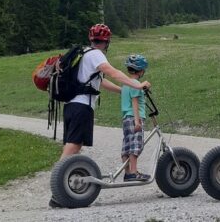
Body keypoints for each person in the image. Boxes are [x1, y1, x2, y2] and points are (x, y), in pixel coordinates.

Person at [50, 24, 150, 208]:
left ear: (91, 39)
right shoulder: (96, 54)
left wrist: (122, 91)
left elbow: (100, 81)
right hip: (82, 107)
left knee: (74, 146)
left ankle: (62, 190)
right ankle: (58, 189)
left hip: (71, 106)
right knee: (73, 147)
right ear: (107, 41)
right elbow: (112, 72)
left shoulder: (84, 54)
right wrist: (136, 85)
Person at [120, 54, 150, 181]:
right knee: (136, 145)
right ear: (141, 70)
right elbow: (135, 102)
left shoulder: (125, 84)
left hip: (126, 118)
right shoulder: (135, 83)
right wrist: (137, 121)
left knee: (127, 145)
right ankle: (133, 172)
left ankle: (127, 173)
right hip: (134, 118)